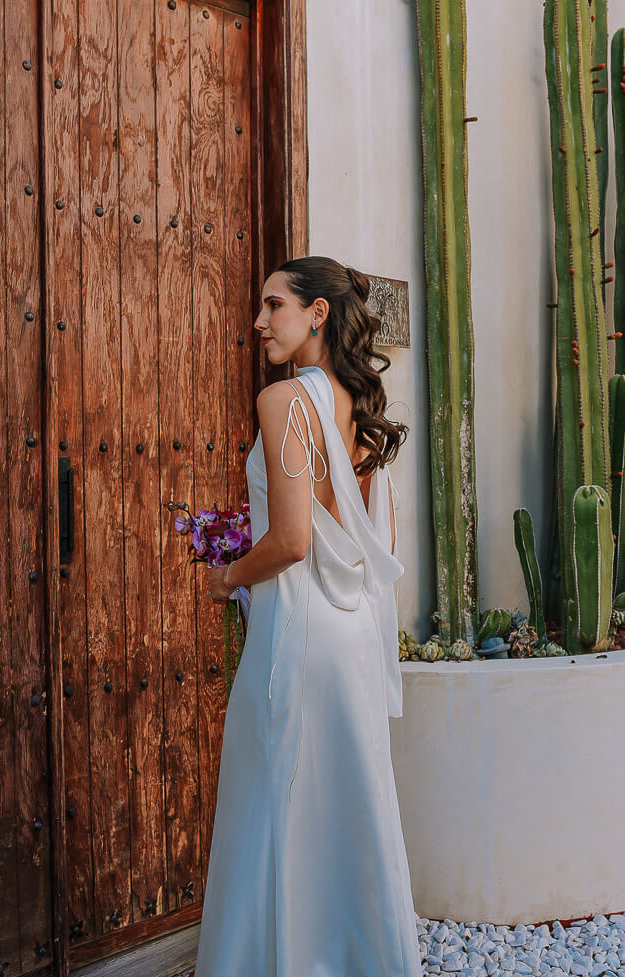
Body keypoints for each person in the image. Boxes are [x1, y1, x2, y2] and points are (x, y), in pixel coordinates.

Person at [194, 256, 423, 977]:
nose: (258, 322)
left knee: (274, 806)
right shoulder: (361, 400)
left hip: (299, 633)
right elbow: (372, 542)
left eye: (273, 306)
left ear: (316, 313)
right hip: (353, 630)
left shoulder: (285, 401)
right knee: (351, 806)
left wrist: (224, 576)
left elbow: (291, 541)